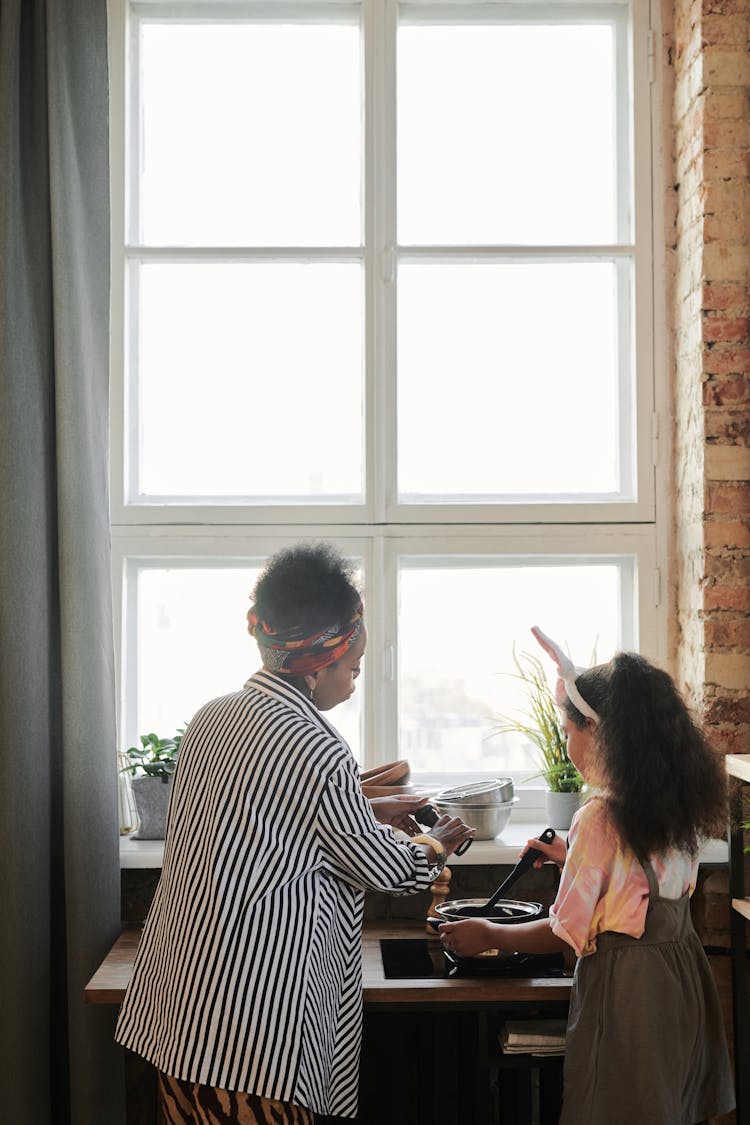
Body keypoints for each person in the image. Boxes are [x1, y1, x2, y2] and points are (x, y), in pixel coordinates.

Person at [115, 542, 474, 1125]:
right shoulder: (315, 744)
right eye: (352, 668)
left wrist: (362, 810)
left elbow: (266, 817)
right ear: (317, 662)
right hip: (256, 1024)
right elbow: (385, 870)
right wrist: (439, 843)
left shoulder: (214, 715)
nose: (355, 683)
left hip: (183, 1005)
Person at [438, 627, 735, 1125]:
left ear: (599, 734)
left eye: (569, 731)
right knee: (668, 1107)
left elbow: (565, 933)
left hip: (628, 995)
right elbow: (645, 885)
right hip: (682, 981)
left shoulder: (598, 820)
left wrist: (489, 932)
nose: (566, 742)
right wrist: (570, 857)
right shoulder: (676, 805)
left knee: (615, 1107)